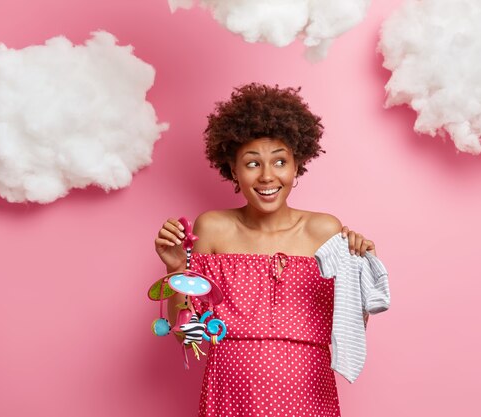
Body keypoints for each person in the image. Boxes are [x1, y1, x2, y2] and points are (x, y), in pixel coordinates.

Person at [154, 83, 377, 417]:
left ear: (296, 165)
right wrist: (176, 270)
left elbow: (349, 328)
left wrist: (360, 272)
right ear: (233, 170)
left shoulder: (325, 231)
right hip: (230, 395)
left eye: (279, 161)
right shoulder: (213, 229)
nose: (268, 176)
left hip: (308, 394)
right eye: (252, 163)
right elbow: (188, 337)